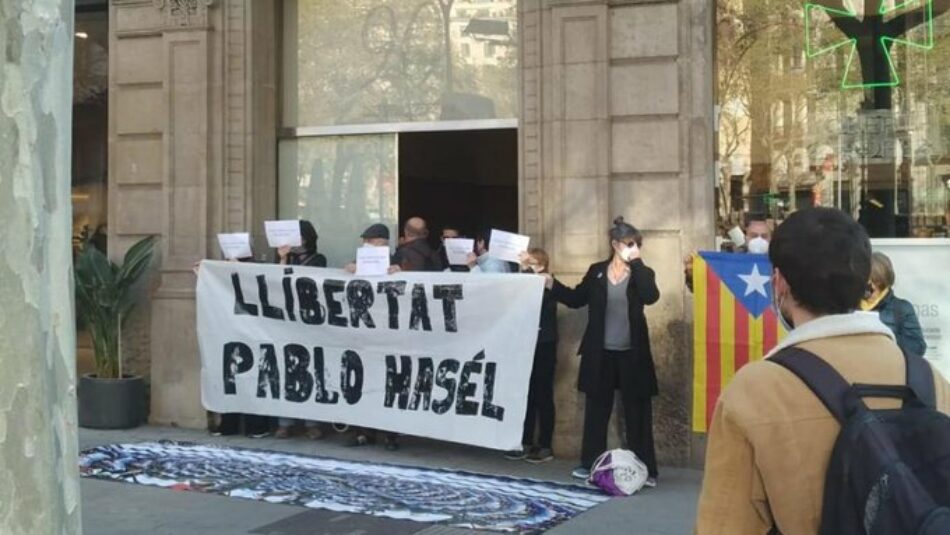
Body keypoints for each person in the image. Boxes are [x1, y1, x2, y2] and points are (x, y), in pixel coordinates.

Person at [695, 207, 950, 534]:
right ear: (864, 280)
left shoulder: (754, 390)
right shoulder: (929, 378)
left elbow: (725, 525)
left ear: (780, 283)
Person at [546, 216, 661, 484]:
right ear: (614, 244)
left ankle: (646, 469)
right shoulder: (597, 271)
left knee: (637, 413)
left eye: (637, 244)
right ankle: (590, 463)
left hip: (632, 354)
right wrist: (551, 284)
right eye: (629, 243)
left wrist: (637, 262)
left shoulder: (642, 273)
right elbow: (576, 298)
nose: (634, 248)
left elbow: (650, 296)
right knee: (597, 411)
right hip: (601, 353)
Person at [344, 223, 401, 450]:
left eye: (371, 241)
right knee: (364, 383)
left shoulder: (397, 260)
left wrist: (400, 271)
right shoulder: (359, 261)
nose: (366, 244)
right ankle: (363, 432)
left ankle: (391, 435)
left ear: (383, 242)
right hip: (364, 335)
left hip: (389, 335)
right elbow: (346, 271)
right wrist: (350, 268)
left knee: (389, 385)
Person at [504, 248, 559, 463]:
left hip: (544, 344)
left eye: (533, 263)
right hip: (525, 343)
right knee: (525, 394)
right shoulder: (524, 281)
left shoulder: (548, 282)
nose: (529, 266)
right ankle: (524, 441)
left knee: (543, 394)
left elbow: (539, 300)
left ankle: (545, 444)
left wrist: (527, 271)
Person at [275, 219, 327, 440]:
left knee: (310, 371)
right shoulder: (286, 258)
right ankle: (284, 423)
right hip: (287, 322)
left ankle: (311, 423)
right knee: (285, 371)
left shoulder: (318, 259)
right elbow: (277, 281)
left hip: (309, 322)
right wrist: (283, 258)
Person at [684, 214, 772, 291]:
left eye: (764, 236)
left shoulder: (778, 267)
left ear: (771, 240)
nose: (759, 240)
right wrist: (692, 273)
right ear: (746, 239)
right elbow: (704, 288)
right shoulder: (731, 265)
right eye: (754, 236)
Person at [862, 251, 926, 357]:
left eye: (878, 283)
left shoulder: (901, 308)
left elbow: (918, 348)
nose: (873, 288)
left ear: (886, 281)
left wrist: (884, 337)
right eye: (868, 283)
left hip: (890, 369)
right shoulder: (850, 308)